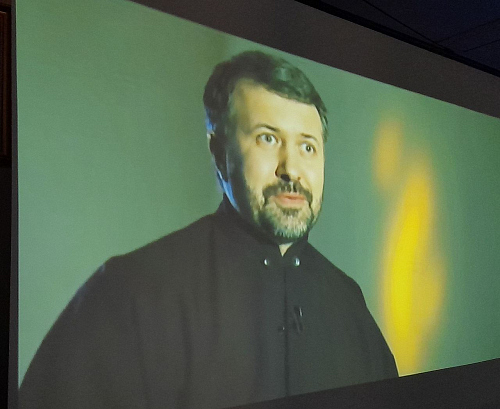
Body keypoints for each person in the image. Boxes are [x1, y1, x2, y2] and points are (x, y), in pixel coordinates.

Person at [19, 51, 398, 409]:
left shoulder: (350, 305)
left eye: (308, 147)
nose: (291, 169)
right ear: (219, 151)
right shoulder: (131, 291)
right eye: (268, 138)